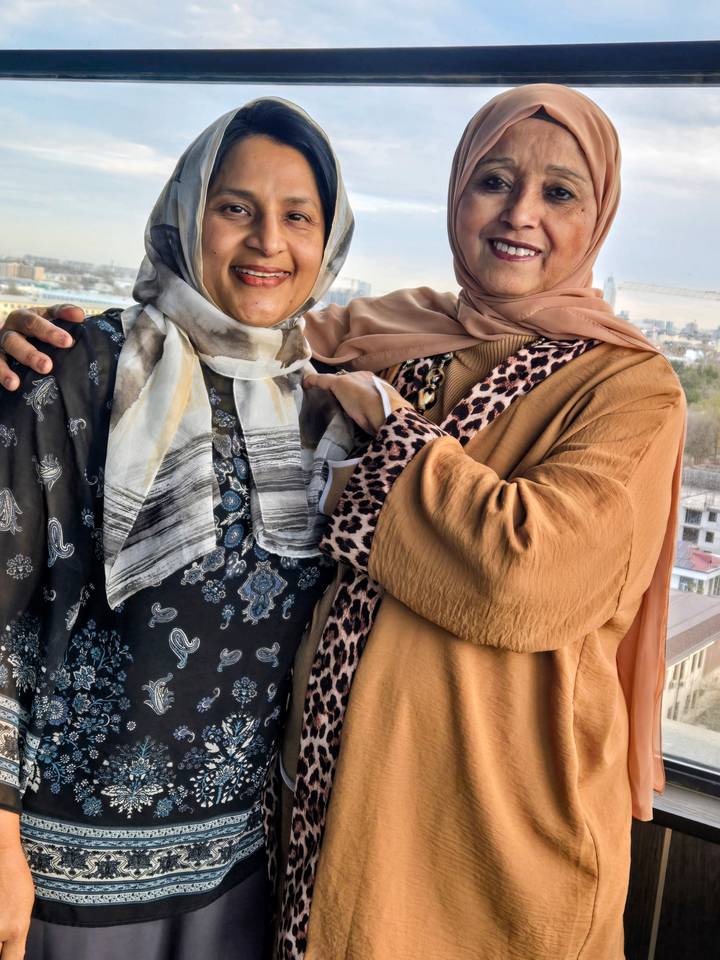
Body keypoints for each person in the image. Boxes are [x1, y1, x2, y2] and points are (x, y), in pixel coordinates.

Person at [3, 84, 685, 960]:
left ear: (600, 215)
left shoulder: (629, 388)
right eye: (494, 181)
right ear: (456, 193)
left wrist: (381, 446)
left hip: (494, 833)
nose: (520, 215)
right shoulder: (378, 335)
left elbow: (526, 576)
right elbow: (227, 325)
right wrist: (31, 354)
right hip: (319, 830)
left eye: (561, 193)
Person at [0, 96, 358, 960]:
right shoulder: (81, 371)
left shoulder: (327, 409)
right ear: (185, 218)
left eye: (297, 216)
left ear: (330, 241)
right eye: (235, 208)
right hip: (60, 877)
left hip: (238, 874)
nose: (268, 241)